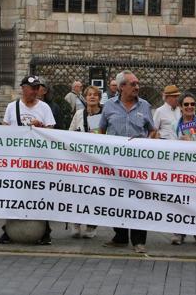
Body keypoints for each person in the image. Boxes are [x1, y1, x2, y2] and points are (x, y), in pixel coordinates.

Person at [99, 70, 155, 254]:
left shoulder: (145, 106)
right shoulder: (108, 106)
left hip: (138, 164)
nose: (137, 87)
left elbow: (152, 130)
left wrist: (147, 142)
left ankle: (138, 240)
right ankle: (120, 236)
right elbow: (101, 131)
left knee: (139, 200)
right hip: (114, 164)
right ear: (122, 86)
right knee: (116, 199)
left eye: (138, 84)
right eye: (133, 84)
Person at [0, 75, 56, 245]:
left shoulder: (44, 107)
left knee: (40, 194)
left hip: (38, 159)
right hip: (18, 158)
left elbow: (52, 131)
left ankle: (45, 230)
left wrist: (42, 128)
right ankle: (8, 229)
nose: (35, 91)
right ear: (23, 88)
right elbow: (5, 130)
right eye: (32, 88)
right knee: (13, 193)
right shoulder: (12, 107)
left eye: (37, 88)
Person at [167, 92, 196, 246]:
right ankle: (178, 232)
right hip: (181, 169)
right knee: (179, 201)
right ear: (180, 107)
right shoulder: (174, 125)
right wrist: (181, 142)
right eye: (186, 104)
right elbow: (172, 146)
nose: (190, 107)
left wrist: (190, 140)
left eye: (192, 104)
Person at [68, 85, 104, 238]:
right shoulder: (78, 114)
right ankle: (76, 223)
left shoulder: (104, 115)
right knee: (78, 193)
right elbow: (70, 133)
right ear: (85, 97)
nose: (92, 97)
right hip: (79, 160)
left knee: (94, 195)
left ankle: (91, 225)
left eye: (95, 95)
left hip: (97, 161)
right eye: (89, 94)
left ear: (99, 98)